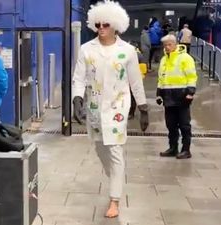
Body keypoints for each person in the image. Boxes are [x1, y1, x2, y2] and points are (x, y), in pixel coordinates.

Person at [72, 0, 149, 218]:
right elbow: (78, 78)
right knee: (100, 148)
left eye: (106, 24)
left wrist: (143, 107)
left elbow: (135, 82)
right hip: (94, 108)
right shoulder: (87, 50)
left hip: (117, 107)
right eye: (97, 25)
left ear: (116, 25)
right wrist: (77, 99)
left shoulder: (127, 51)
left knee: (115, 151)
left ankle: (115, 199)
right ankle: (116, 176)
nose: (101, 29)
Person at [156, 34, 198, 159]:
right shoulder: (164, 59)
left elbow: (191, 76)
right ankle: (173, 148)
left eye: (169, 44)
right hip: (168, 96)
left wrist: (190, 92)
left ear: (175, 44)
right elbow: (161, 78)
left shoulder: (185, 58)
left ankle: (186, 150)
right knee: (171, 125)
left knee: (184, 125)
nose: (167, 47)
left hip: (182, 96)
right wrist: (159, 94)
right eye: (165, 45)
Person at [129, 42, 147, 120]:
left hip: (131, 79)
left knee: (131, 97)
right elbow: (144, 69)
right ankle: (131, 113)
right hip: (134, 79)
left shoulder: (136, 55)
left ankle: (131, 113)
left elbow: (142, 69)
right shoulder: (140, 55)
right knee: (132, 96)